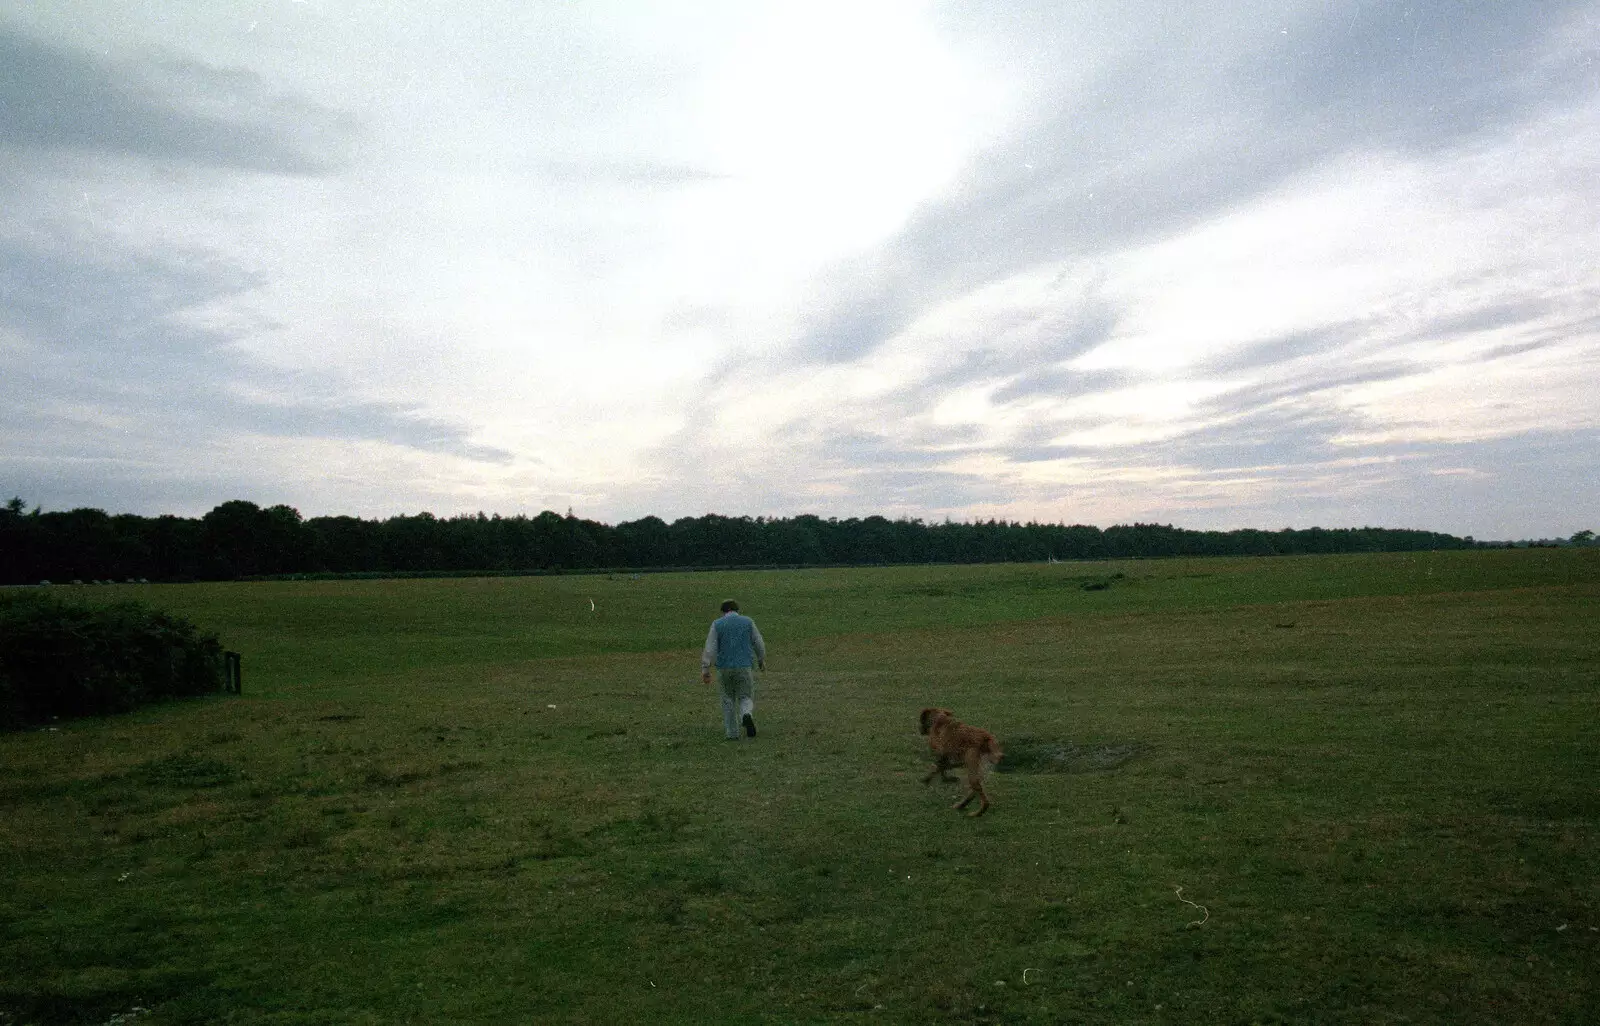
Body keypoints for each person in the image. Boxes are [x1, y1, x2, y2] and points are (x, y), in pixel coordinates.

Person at [700, 599, 766, 740]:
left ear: (723, 611)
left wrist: (705, 669)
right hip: (744, 666)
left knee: (727, 700)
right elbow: (758, 642)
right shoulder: (748, 622)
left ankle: (732, 733)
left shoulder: (717, 624)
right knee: (745, 696)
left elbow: (710, 647)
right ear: (737, 610)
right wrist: (761, 659)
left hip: (724, 668)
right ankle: (746, 714)